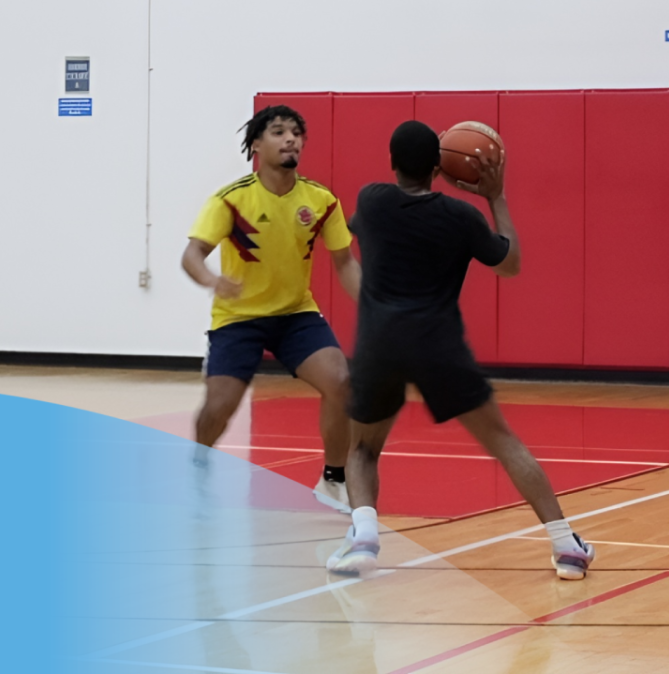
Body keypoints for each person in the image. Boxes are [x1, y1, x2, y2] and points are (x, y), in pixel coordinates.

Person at [327, 120, 594, 579]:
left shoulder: (371, 202)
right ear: (439, 167)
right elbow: (510, 264)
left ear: (392, 163)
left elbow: (353, 237)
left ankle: (365, 537)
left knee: (363, 449)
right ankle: (565, 545)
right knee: (503, 442)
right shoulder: (460, 217)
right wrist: (495, 197)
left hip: (379, 342)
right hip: (437, 344)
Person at [182, 105, 361, 512]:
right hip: (239, 319)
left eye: (296, 132)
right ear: (257, 145)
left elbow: (345, 264)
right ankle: (198, 465)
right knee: (218, 407)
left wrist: (375, 304)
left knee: (341, 381)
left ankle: (333, 480)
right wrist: (213, 281)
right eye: (279, 132)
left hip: (296, 316)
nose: (290, 139)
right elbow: (192, 255)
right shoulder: (231, 201)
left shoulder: (320, 201)